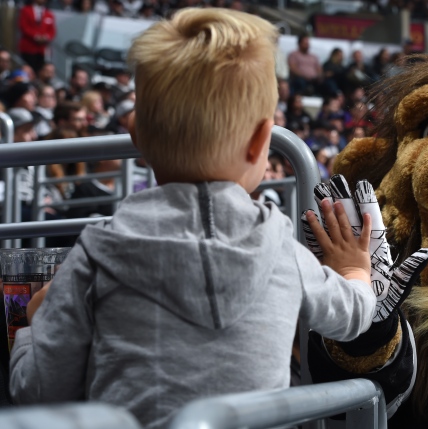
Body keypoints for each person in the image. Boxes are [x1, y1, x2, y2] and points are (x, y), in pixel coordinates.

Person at [8, 8, 376, 429]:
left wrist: (32, 326)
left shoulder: (97, 251)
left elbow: (38, 390)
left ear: (136, 135)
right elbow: (352, 317)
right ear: (261, 142)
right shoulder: (281, 247)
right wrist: (353, 270)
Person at [17, 0, 56, 73]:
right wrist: (36, 36)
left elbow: (52, 31)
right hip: (28, 48)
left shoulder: (49, 14)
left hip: (41, 50)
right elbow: (24, 26)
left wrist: (46, 37)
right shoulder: (26, 10)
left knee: (39, 71)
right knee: (27, 70)